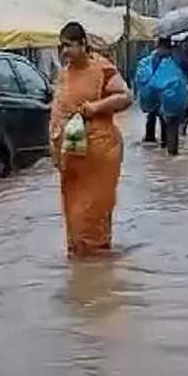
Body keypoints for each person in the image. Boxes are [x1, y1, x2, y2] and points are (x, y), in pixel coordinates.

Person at [49, 21, 133, 257]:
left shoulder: (101, 68)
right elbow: (59, 109)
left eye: (68, 45)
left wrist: (96, 107)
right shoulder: (65, 72)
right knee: (74, 213)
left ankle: (98, 277)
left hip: (99, 152)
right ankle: (81, 270)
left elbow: (126, 97)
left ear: (83, 44)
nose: (64, 51)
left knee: (94, 211)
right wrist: (54, 148)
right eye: (61, 46)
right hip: (72, 155)